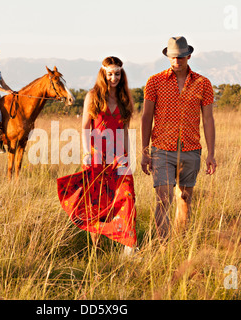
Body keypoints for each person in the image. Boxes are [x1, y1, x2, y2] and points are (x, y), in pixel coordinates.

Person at [57, 56, 137, 256]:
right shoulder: (93, 96)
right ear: (103, 73)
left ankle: (129, 245)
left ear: (122, 74)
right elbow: (85, 127)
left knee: (126, 197)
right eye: (110, 74)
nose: (114, 78)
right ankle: (97, 248)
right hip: (96, 155)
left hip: (119, 156)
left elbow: (125, 130)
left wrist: (127, 156)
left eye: (117, 73)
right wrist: (86, 152)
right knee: (98, 203)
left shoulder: (124, 98)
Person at [141, 36, 217, 240]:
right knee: (163, 198)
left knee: (184, 198)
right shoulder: (154, 82)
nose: (177, 61)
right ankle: (163, 246)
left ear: (189, 56)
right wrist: (144, 151)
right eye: (173, 57)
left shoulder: (203, 83)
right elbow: (146, 117)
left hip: (191, 149)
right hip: (161, 149)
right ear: (168, 57)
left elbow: (208, 119)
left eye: (181, 57)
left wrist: (211, 153)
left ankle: (180, 244)